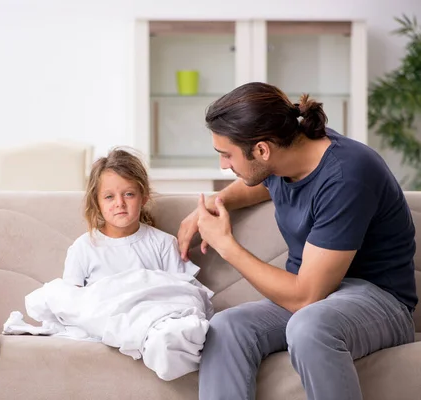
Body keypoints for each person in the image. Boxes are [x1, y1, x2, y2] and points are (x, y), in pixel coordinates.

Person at [177, 82, 417, 400]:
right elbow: (260, 183)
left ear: (262, 149)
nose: (223, 165)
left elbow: (306, 297)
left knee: (309, 327)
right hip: (317, 300)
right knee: (226, 327)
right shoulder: (285, 157)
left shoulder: (347, 176)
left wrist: (225, 244)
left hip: (379, 301)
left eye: (227, 154)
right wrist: (217, 203)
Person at [63, 147, 200, 287]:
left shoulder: (164, 244)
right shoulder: (83, 248)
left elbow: (183, 292)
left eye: (129, 194)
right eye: (109, 197)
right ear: (97, 203)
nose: (120, 203)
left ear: (143, 198)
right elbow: (71, 300)